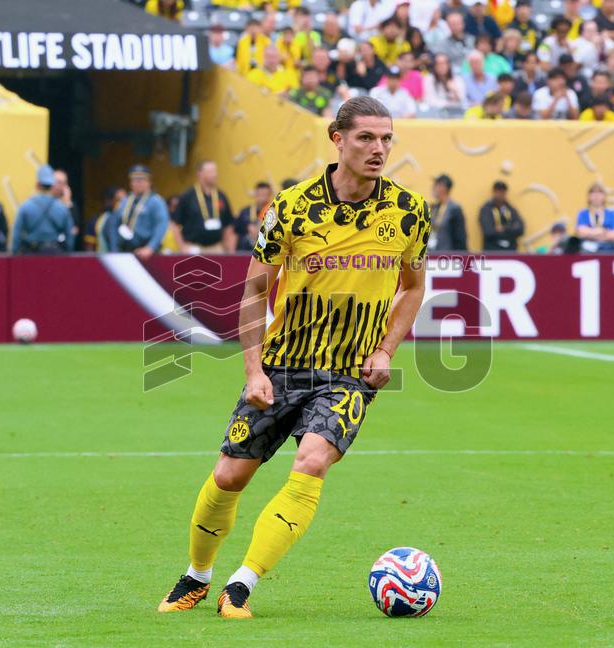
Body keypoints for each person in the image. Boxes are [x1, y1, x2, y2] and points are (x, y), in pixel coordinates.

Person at [156, 96, 430, 620]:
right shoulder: (292, 206)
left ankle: (240, 586)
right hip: (282, 365)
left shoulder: (410, 211)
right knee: (229, 477)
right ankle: (196, 575)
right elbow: (256, 292)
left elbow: (414, 287)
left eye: (387, 138)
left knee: (311, 462)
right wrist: (253, 370)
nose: (379, 149)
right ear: (338, 138)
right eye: (367, 138)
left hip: (350, 373)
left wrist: (386, 348)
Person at [105, 164, 170, 259]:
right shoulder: (126, 200)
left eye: (141, 180)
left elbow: (161, 226)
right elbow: (115, 222)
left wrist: (150, 247)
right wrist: (114, 249)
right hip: (125, 249)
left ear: (149, 182)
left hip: (145, 250)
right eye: (134, 180)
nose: (138, 183)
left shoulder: (156, 201)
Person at [173, 160, 234, 253]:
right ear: (200, 174)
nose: (215, 175)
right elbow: (175, 224)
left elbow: (228, 225)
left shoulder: (221, 196)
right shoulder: (188, 196)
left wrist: (228, 248)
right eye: (211, 172)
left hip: (216, 248)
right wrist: (182, 246)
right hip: (194, 248)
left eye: (215, 171)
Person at [11, 165, 74, 254]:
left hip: (31, 253)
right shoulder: (62, 208)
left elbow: (16, 236)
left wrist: (15, 252)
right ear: (52, 185)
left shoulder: (25, 207)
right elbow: (69, 237)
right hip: (55, 254)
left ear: (37, 184)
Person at [576, 183, 614, 253]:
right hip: (587, 248)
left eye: (599, 193)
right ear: (589, 196)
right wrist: (600, 232)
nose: (596, 196)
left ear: (604, 196)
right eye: (593, 193)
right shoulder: (583, 213)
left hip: (608, 248)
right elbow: (581, 232)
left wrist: (592, 233)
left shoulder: (611, 214)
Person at [479, 180, 524, 251]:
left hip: (510, 251)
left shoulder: (510, 209)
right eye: (498, 191)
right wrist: (511, 229)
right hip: (492, 251)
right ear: (494, 192)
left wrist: (504, 228)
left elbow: (520, 229)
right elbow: (488, 232)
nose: (500, 194)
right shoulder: (486, 209)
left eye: (503, 192)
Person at [229, 181, 273, 252]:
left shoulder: (273, 213)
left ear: (270, 195)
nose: (262, 197)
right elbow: (235, 232)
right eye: (260, 194)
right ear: (255, 194)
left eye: (265, 194)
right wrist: (231, 253)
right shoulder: (245, 212)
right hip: (244, 251)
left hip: (265, 253)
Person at [427, 174, 467, 251]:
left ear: (443, 187)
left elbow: (460, 238)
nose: (432, 188)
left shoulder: (454, 209)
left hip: (448, 258)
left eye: (435, 185)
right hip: (432, 256)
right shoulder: (433, 208)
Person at [85, 187, 125, 252]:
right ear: (109, 201)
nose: (123, 203)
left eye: (126, 200)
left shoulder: (131, 219)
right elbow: (90, 247)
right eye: (119, 200)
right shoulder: (97, 220)